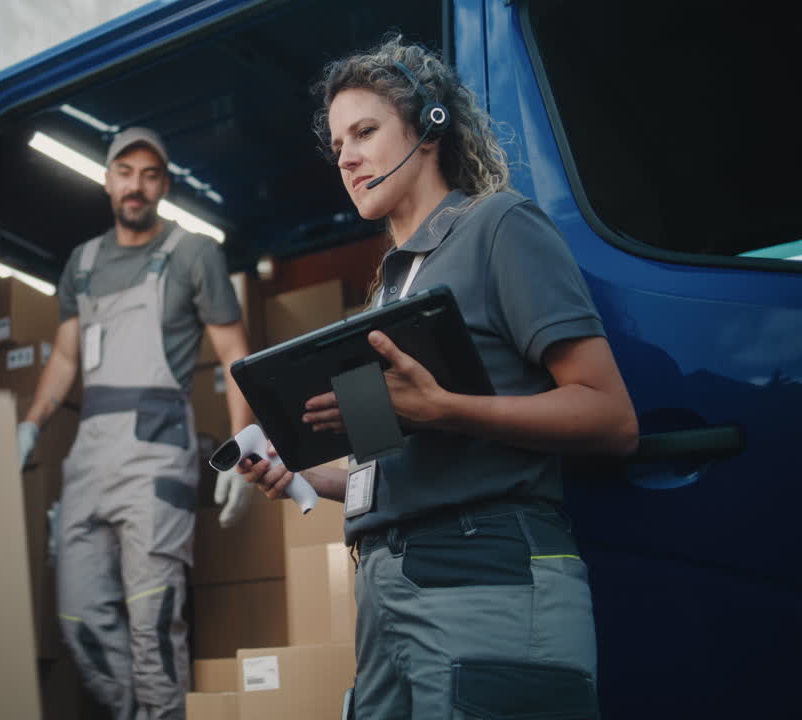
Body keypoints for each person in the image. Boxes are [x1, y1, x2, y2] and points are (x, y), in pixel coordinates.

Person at [239, 36, 639, 719]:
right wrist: (304, 475)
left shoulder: (498, 226)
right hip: (386, 595)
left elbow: (612, 419)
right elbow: (390, 466)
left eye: (365, 132)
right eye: (338, 146)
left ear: (428, 127)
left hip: (483, 578)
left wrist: (447, 407)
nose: (348, 158)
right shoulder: (387, 294)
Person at [16, 127, 255, 719]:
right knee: (79, 619)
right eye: (126, 172)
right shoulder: (84, 262)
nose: (137, 186)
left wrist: (244, 446)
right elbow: (67, 357)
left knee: (152, 618)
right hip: (90, 455)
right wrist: (31, 425)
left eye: (151, 175)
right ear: (107, 180)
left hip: (156, 453)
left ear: (164, 186)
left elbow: (235, 356)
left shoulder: (193, 253)